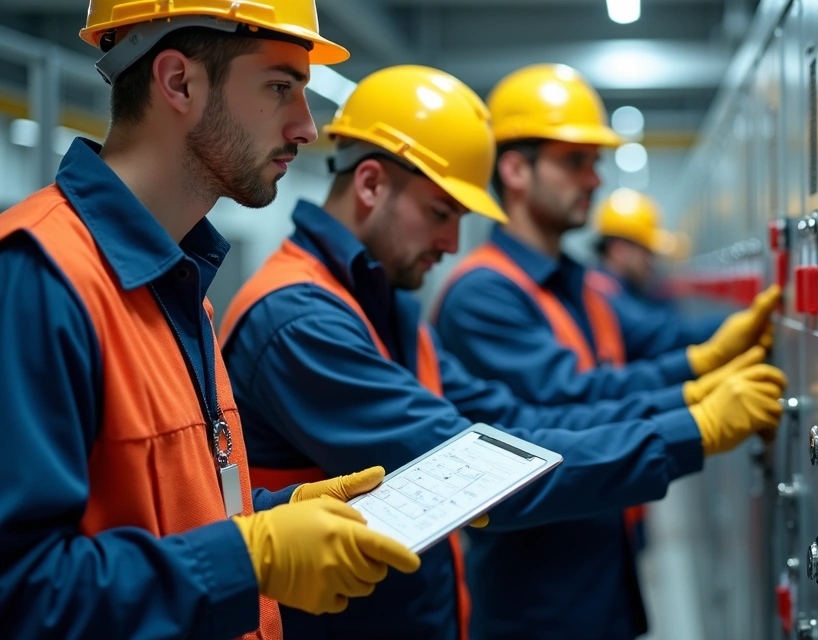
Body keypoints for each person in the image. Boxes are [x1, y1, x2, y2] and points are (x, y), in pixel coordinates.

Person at [217, 65, 788, 640]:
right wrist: (694, 427)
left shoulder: (377, 306)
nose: (450, 244)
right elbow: (468, 472)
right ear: (369, 185)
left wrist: (691, 396)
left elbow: (512, 423)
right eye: (441, 215)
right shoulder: (302, 321)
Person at [0, 3, 419, 638]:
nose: (308, 128)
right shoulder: (39, 279)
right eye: (281, 87)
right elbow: (21, 591)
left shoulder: (179, 281)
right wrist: (252, 557)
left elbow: (164, 519)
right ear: (179, 83)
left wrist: (271, 515)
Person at [432, 63, 783, 639]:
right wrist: (695, 407)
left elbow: (657, 338)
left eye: (594, 162)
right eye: (576, 161)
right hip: (538, 598)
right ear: (515, 169)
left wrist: (754, 328)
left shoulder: (577, 283)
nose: (595, 179)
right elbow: (567, 402)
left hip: (599, 566)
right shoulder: (483, 293)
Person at [587, 187, 730, 353]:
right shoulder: (603, 293)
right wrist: (736, 322)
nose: (651, 262)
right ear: (619, 250)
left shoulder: (617, 287)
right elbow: (657, 334)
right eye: (646, 252)